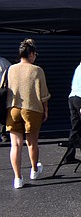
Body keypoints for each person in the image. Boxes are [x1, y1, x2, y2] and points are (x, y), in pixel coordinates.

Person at [5, 39, 50, 189]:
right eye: (35, 54)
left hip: (13, 108)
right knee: (32, 143)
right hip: (32, 109)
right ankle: (34, 170)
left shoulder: (11, 69)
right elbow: (43, 93)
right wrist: (45, 109)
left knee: (15, 145)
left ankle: (18, 178)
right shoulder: (37, 70)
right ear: (31, 54)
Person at [0, 55, 11, 143]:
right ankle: (3, 134)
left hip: (2, 91)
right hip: (2, 91)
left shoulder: (3, 62)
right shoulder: (4, 62)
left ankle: (3, 134)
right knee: (2, 113)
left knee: (2, 113)